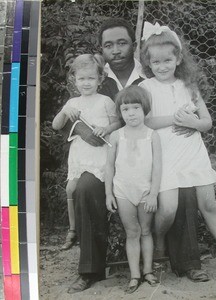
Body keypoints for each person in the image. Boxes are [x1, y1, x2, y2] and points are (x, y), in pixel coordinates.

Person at [64, 18, 204, 293]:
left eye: (122, 43)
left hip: (152, 153)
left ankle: (187, 261)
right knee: (85, 187)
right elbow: (75, 110)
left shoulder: (152, 73)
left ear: (134, 45)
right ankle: (90, 269)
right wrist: (79, 128)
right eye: (108, 45)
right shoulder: (95, 77)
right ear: (101, 50)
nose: (115, 50)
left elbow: (176, 107)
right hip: (108, 159)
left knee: (182, 185)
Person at [139, 21, 216, 278]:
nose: (161, 67)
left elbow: (207, 123)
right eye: (156, 62)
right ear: (148, 64)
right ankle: (160, 238)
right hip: (164, 154)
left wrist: (193, 123)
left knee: (208, 203)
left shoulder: (189, 86)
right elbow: (146, 121)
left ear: (178, 59)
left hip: (192, 151)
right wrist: (176, 119)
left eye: (167, 60)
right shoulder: (146, 88)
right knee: (168, 209)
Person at [52, 54, 120, 251]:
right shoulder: (72, 103)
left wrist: (106, 129)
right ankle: (72, 230)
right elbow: (57, 126)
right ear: (75, 81)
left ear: (100, 80)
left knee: (90, 190)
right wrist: (65, 112)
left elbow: (117, 122)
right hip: (80, 155)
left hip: (99, 154)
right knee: (70, 189)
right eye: (81, 79)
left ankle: (94, 233)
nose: (86, 83)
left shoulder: (105, 100)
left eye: (91, 78)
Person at [105, 86, 162, 293]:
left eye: (135, 108)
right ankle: (134, 275)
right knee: (132, 232)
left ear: (144, 109)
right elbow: (109, 166)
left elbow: (157, 167)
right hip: (123, 192)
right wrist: (109, 193)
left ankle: (147, 271)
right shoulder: (116, 136)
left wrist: (154, 193)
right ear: (120, 112)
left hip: (146, 191)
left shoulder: (152, 135)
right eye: (126, 109)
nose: (131, 113)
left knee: (146, 231)